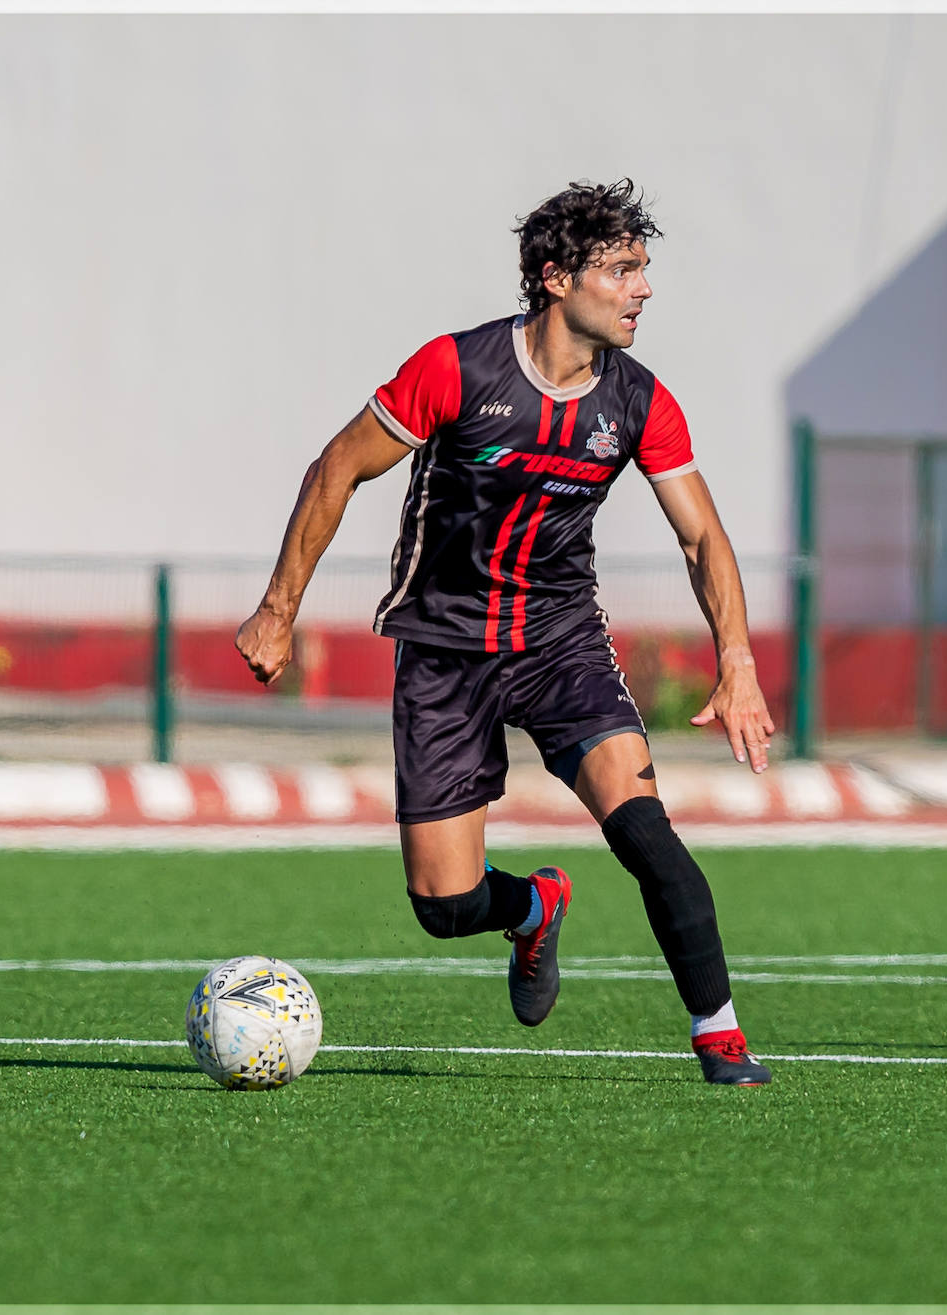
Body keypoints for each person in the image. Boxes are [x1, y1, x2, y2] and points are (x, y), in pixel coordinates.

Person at [236, 179, 776, 1085]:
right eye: (622, 269)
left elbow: (700, 535)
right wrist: (279, 609)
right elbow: (338, 466)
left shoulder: (640, 402)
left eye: (644, 269)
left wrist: (738, 660)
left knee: (646, 834)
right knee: (445, 905)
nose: (642, 288)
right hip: (444, 647)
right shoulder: (456, 369)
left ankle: (721, 1038)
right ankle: (532, 908)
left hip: (560, 644)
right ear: (556, 278)